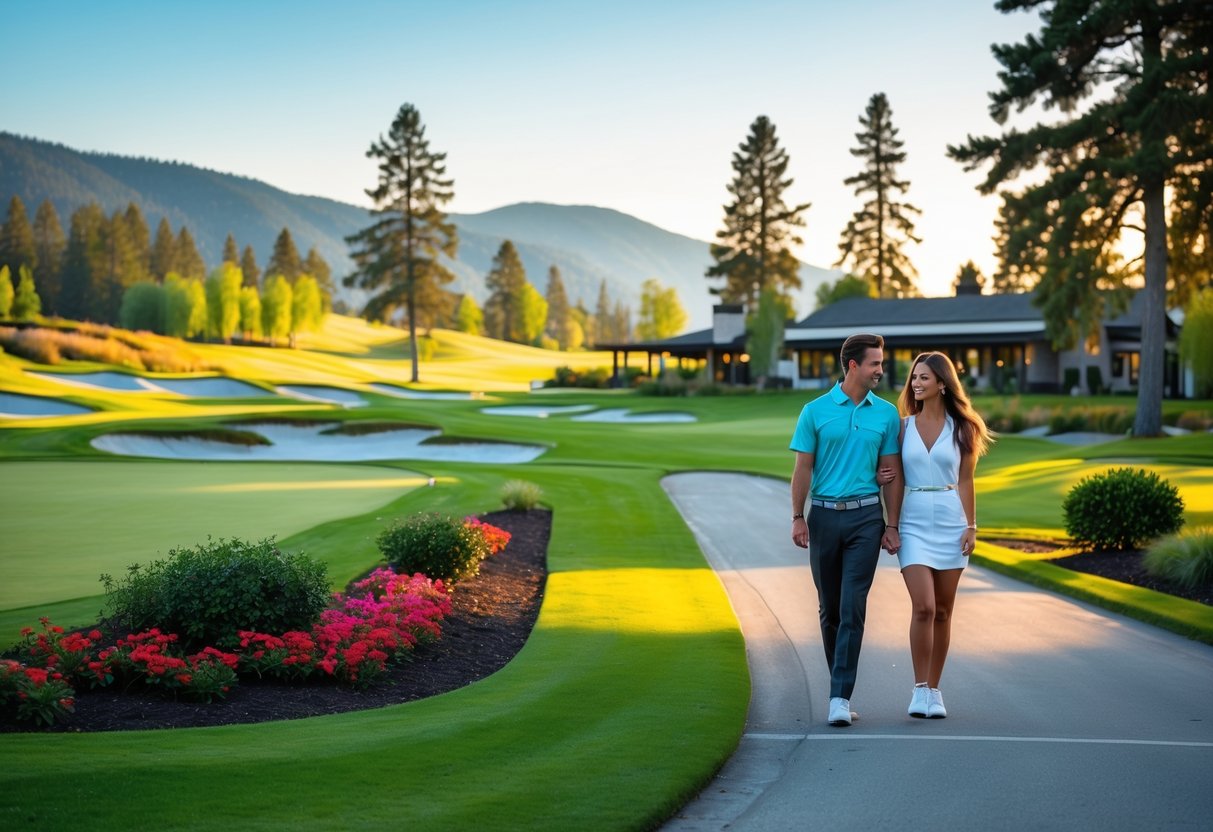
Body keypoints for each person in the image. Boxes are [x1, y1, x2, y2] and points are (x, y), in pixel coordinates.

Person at [790, 333, 903, 727]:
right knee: (830, 610)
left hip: (866, 519)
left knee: (853, 605)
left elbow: (892, 473)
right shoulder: (815, 411)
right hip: (823, 517)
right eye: (875, 363)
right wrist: (797, 516)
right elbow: (803, 468)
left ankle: (839, 695)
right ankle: (840, 684)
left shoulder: (886, 414)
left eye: (882, 363)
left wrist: (892, 525)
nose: (881, 370)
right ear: (853, 365)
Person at [878, 351, 992, 719]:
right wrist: (881, 481)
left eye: (924, 377)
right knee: (924, 606)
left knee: (943, 611)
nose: (916, 383)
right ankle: (919, 688)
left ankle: (935, 691)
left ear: (943, 383)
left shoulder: (964, 429)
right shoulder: (902, 427)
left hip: (950, 522)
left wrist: (971, 527)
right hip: (912, 522)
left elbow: (965, 480)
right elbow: (889, 470)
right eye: (914, 377)